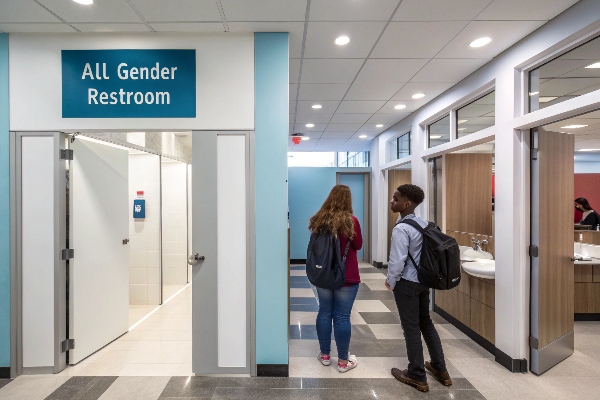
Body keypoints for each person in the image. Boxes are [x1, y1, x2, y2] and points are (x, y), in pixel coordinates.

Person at [386, 184, 451, 392]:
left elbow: (397, 261)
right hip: (424, 282)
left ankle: (417, 374)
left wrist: (391, 280)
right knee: (426, 322)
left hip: (407, 284)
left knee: (411, 327)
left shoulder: (401, 229)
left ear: (407, 203)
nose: (391, 201)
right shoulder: (423, 224)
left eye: (395, 199)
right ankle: (440, 369)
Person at [308, 184, 362, 372]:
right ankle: (342, 362)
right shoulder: (351, 221)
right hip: (346, 276)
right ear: (348, 200)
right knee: (342, 317)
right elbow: (358, 244)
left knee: (324, 312)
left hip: (322, 274)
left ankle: (324, 355)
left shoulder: (319, 220)